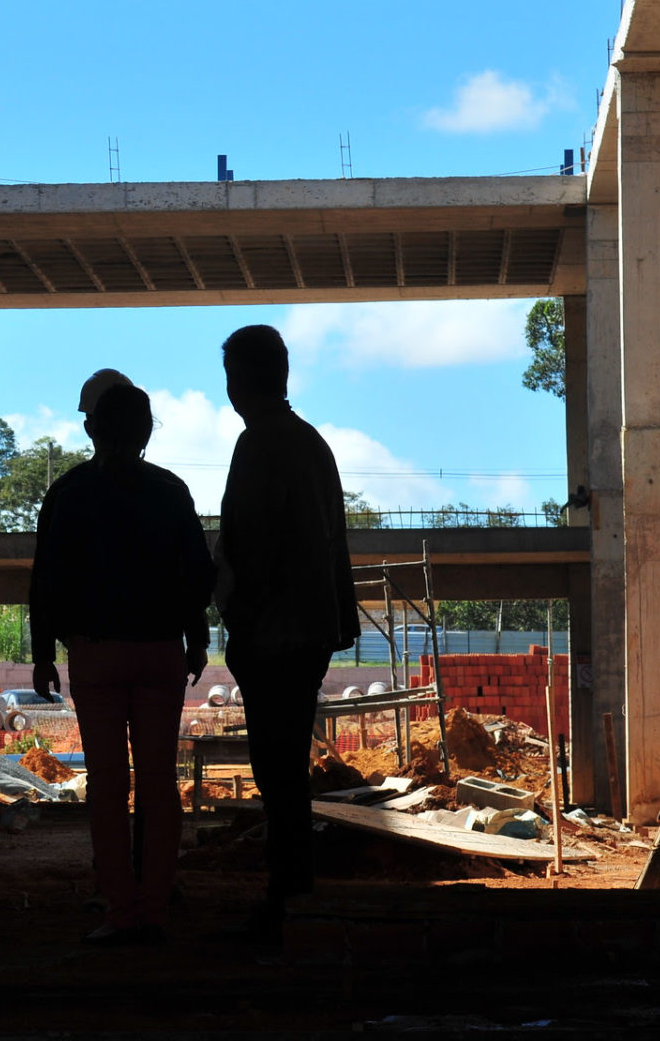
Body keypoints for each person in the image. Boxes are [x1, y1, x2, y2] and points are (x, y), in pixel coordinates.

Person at [30, 383, 214, 947]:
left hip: (95, 655)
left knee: (108, 786)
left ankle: (120, 909)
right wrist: (197, 640)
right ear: (146, 431)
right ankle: (155, 907)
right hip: (161, 653)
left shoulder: (69, 492)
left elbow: (46, 583)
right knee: (159, 784)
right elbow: (198, 578)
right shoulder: (170, 490)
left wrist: (42, 656)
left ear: (91, 429)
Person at [213, 324, 358, 945]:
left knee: (276, 770)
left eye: (230, 377)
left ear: (243, 380)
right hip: (307, 632)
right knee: (286, 765)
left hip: (274, 634)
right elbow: (331, 548)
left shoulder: (259, 445)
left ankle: (288, 894)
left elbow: (250, 548)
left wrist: (236, 618)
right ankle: (292, 889)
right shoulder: (311, 444)